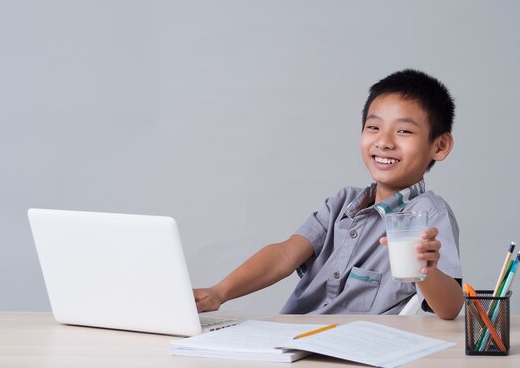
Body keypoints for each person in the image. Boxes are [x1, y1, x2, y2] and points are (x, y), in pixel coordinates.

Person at [194, 69, 464, 320]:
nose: (384, 142)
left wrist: (425, 271)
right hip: (294, 337)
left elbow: (450, 308)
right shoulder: (343, 203)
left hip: (354, 350)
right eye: (373, 127)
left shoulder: (427, 212)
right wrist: (220, 292)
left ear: (439, 146)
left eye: (404, 131)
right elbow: (285, 255)